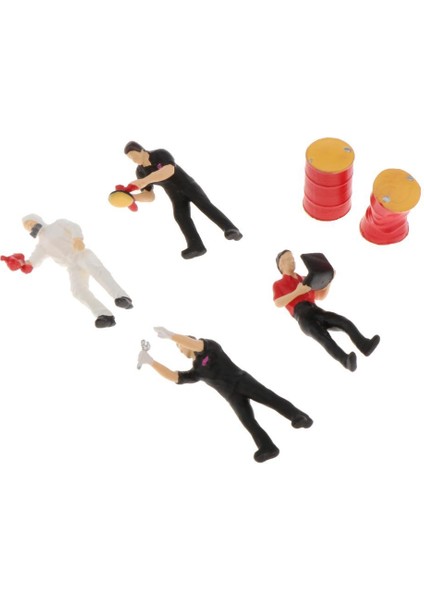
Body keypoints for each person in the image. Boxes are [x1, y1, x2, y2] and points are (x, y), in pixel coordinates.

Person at [137, 326, 313, 463]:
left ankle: (299, 417)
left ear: (188, 341)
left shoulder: (209, 347)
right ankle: (267, 447)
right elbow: (174, 377)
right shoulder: (197, 371)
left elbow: (196, 344)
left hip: (242, 381)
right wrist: (150, 361)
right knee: (248, 422)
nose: (179, 349)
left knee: (271, 399)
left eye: (179, 345)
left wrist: (171, 335)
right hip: (231, 396)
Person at [123, 141, 243, 259]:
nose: (134, 160)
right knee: (180, 216)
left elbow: (169, 171)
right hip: (175, 195)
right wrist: (132, 197)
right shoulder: (140, 172)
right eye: (131, 159)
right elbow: (149, 196)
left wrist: (144, 181)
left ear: (142, 150)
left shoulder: (160, 154)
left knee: (205, 206)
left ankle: (231, 229)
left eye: (135, 156)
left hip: (188, 186)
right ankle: (196, 246)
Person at [273, 250, 380, 371]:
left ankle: (365, 345)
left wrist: (329, 281)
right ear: (281, 265)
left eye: (292, 258)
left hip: (317, 310)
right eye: (288, 259)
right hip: (303, 317)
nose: (292, 261)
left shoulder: (304, 279)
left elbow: (320, 296)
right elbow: (278, 302)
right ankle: (346, 361)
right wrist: (297, 292)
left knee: (343, 322)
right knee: (325, 338)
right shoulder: (278, 284)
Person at [20, 214, 133, 328]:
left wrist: (77, 238)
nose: (29, 226)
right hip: (72, 266)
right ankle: (104, 315)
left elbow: (73, 226)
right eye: (27, 226)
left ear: (38, 219)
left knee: (99, 273)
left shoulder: (58, 223)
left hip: (81, 254)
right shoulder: (41, 245)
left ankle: (122, 297)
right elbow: (34, 260)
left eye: (30, 222)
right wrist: (22, 264)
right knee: (78, 290)